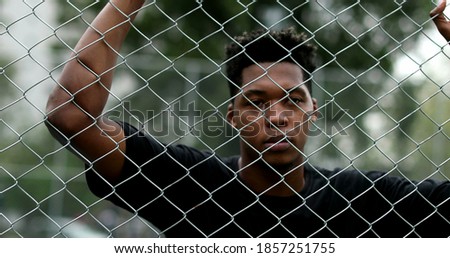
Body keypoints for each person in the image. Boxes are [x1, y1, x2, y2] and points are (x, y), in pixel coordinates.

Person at [45, 0, 450, 237]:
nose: (276, 116)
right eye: (255, 102)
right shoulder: (188, 183)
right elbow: (71, 114)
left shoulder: (361, 198)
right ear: (232, 116)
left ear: (314, 113)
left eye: (293, 101)